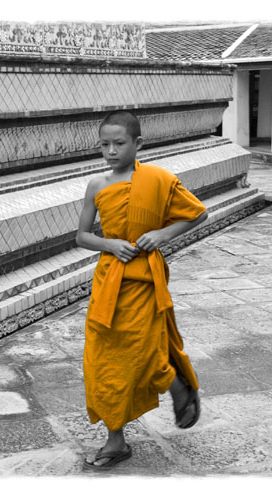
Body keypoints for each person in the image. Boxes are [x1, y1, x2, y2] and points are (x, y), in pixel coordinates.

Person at [76, 110, 208, 469]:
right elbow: (82, 235)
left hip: (145, 279)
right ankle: (116, 439)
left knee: (143, 350)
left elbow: (197, 213)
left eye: (119, 143)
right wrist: (110, 245)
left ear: (138, 144)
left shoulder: (158, 179)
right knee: (102, 360)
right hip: (109, 280)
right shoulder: (97, 185)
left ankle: (176, 386)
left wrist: (163, 234)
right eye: (104, 144)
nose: (111, 151)